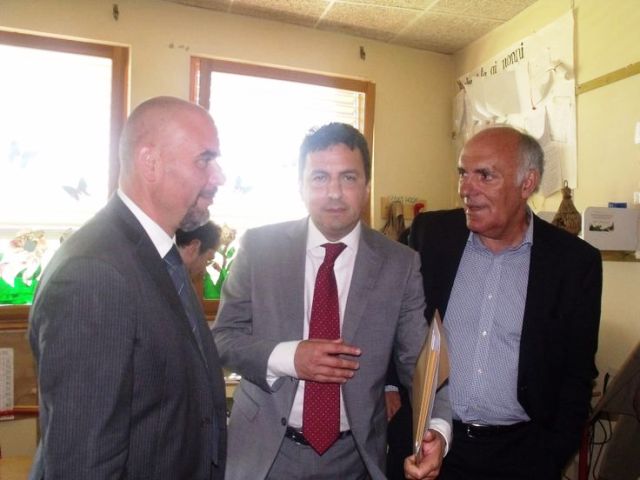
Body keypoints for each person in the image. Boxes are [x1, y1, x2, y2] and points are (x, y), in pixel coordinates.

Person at [212, 122, 451, 480]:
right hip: (264, 454)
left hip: (354, 459)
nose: (334, 193)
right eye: (320, 177)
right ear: (301, 186)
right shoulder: (259, 248)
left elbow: (420, 362)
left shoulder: (399, 263)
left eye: (348, 178)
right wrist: (291, 358)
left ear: (367, 187)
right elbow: (223, 339)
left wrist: (437, 430)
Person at [28, 96, 228, 479]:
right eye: (204, 160)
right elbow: (83, 463)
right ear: (150, 162)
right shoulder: (94, 274)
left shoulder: (157, 256)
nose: (218, 177)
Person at [409, 126, 602, 479]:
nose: (466, 188)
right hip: (435, 444)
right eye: (463, 173)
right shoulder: (431, 236)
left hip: (524, 454)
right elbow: (401, 325)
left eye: (485, 175)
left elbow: (577, 374)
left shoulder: (574, 263)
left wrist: (552, 454)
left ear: (527, 183)